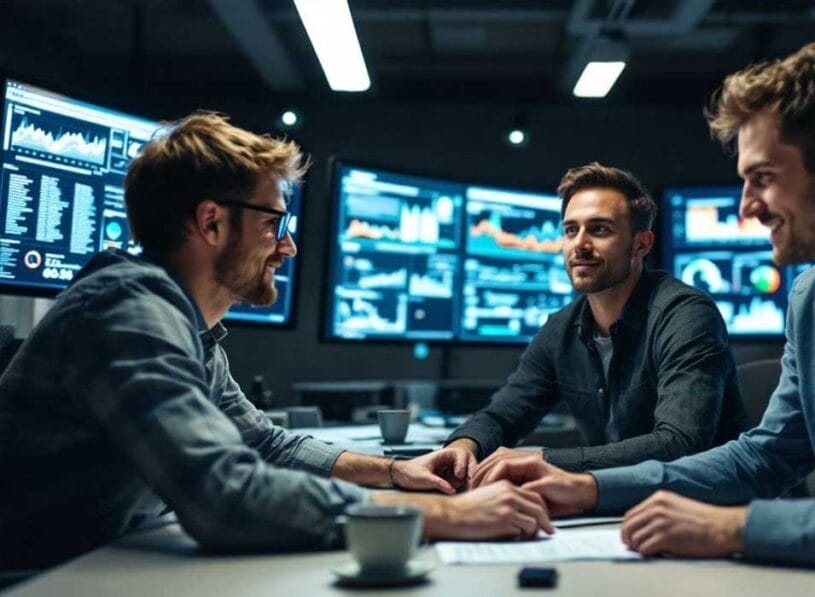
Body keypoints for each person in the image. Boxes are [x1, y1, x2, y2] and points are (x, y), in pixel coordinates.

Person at [476, 41, 815, 591]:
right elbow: (765, 456)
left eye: (761, 177)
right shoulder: (811, 299)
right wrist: (593, 488)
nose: (746, 207)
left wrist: (740, 527)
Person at [0, 112, 552, 570]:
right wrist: (449, 517)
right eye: (274, 223)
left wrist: (396, 472)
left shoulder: (186, 327)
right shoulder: (125, 310)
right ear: (211, 223)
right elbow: (225, 498)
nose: (286, 248)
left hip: (100, 566)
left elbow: (267, 444)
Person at [437, 163, 747, 488]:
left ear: (642, 244)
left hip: (705, 508)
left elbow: (679, 443)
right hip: (615, 507)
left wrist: (542, 461)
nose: (580, 244)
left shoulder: (686, 316)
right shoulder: (561, 328)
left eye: (599, 229)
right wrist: (464, 446)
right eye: (571, 230)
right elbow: (504, 414)